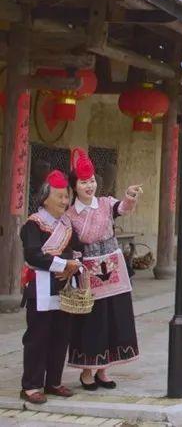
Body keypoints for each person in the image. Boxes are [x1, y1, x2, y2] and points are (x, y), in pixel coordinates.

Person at [66, 148, 141, 390]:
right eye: (83, 182)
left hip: (112, 268)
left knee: (113, 317)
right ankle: (87, 370)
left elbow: (122, 208)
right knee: (92, 320)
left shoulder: (106, 203)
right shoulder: (70, 215)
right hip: (88, 271)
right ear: (74, 186)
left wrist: (129, 197)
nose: (89, 186)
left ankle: (103, 369)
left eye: (91, 181)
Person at [20, 170, 83, 404]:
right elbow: (33, 255)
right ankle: (31, 386)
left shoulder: (66, 224)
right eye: (60, 197)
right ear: (45, 198)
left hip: (63, 287)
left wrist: (74, 266)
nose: (65, 201)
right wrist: (64, 264)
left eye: (67, 197)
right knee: (38, 337)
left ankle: (53, 382)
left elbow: (78, 251)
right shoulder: (34, 224)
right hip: (40, 287)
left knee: (60, 336)